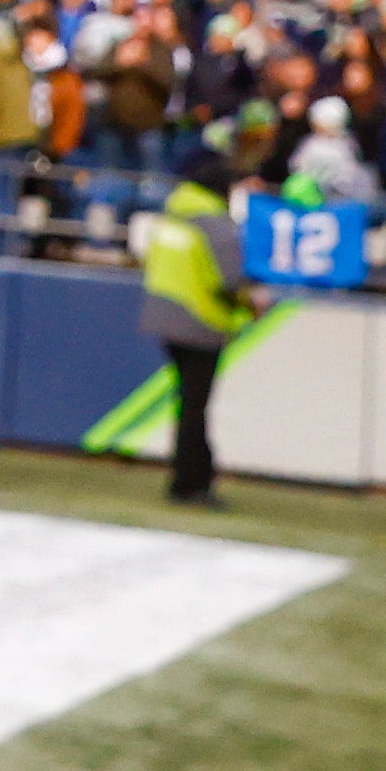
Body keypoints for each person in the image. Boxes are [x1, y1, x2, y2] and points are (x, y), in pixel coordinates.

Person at [134, 141, 254, 505]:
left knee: (187, 403)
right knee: (195, 406)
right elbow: (229, 280)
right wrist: (250, 305)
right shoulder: (215, 224)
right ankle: (191, 482)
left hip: (164, 316)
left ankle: (190, 476)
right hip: (201, 323)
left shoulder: (172, 212)